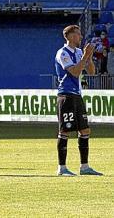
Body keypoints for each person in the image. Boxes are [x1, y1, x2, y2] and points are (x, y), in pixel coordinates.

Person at [54, 25, 102, 176]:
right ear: (69, 36)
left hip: (77, 95)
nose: (81, 37)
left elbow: (92, 72)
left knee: (85, 129)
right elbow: (74, 72)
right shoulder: (62, 53)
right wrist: (84, 56)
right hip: (66, 95)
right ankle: (62, 168)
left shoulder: (80, 52)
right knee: (65, 130)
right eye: (77, 34)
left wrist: (89, 56)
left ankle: (84, 167)